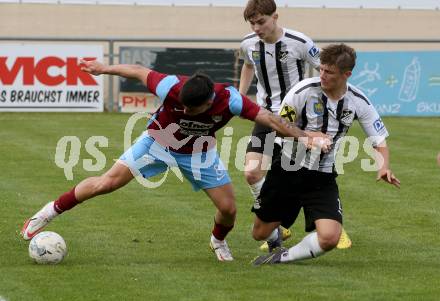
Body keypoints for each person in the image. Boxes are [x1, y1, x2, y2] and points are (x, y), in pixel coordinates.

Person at [20, 59, 331, 262]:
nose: (186, 111)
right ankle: (46, 213)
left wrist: (305, 136)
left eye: (193, 110)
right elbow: (139, 71)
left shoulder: (231, 100)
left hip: (200, 153)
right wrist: (104, 68)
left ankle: (217, 242)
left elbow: (267, 117)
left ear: (210, 102)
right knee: (106, 183)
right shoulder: (172, 87)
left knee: (228, 209)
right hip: (157, 142)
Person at [251, 43, 401, 265]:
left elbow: (379, 139)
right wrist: (309, 136)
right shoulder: (302, 91)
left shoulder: (358, 101)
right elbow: (279, 127)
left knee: (330, 237)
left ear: (346, 74)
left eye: (329, 72)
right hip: (287, 169)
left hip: (322, 176)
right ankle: (275, 238)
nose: (322, 75)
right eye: (321, 69)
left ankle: (280, 257)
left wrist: (383, 166)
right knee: (259, 233)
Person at [239, 0, 351, 250]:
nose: (257, 28)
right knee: (251, 172)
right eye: (252, 23)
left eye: (261, 22)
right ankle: (276, 226)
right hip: (265, 116)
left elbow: (325, 70)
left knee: (313, 173)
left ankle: (335, 225)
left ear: (275, 17)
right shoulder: (248, 44)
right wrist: (240, 97)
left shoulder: (300, 42)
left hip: (297, 120)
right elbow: (247, 66)